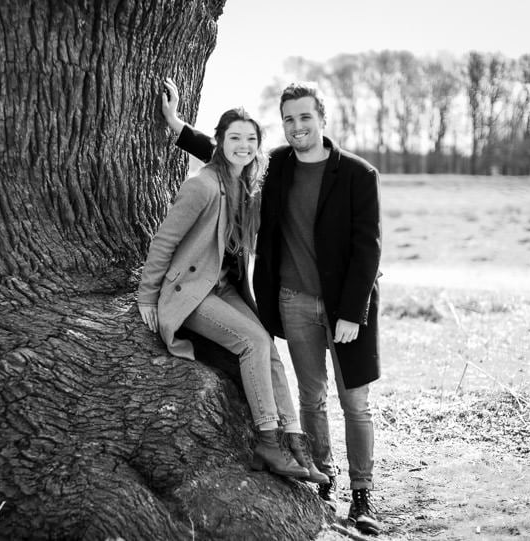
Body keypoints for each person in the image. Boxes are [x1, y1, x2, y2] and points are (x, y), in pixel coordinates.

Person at [161, 78, 382, 535]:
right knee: (312, 399)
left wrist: (351, 313)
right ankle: (324, 479)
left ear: (322, 119)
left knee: (355, 403)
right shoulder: (276, 166)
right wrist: (178, 126)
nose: (297, 126)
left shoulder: (360, 174)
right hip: (294, 302)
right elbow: (225, 155)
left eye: (305, 117)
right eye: (288, 119)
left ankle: (362, 497)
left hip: (347, 309)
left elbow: (368, 248)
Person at [137, 106, 329, 483]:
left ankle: (294, 442)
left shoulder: (246, 183)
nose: (243, 146)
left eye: (251, 139)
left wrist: (178, 126)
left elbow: (230, 154)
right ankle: (268, 442)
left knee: (269, 346)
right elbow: (164, 241)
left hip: (223, 288)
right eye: (234, 138)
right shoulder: (203, 186)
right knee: (253, 341)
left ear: (258, 146)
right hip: (191, 291)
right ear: (220, 143)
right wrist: (147, 295)